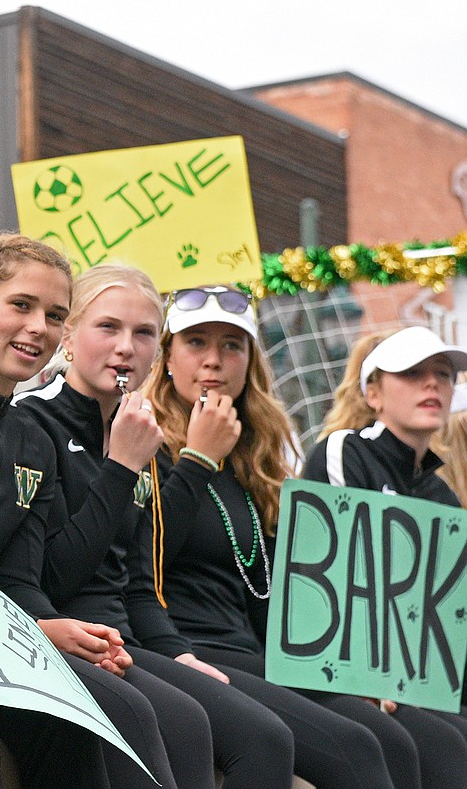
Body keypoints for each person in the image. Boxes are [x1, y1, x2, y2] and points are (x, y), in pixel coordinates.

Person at [0, 233, 197, 789]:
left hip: (9, 635)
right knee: (124, 713)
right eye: (21, 306)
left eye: (53, 314)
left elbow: (24, 575)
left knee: (141, 713)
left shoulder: (30, 435)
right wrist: (43, 630)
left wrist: (57, 629)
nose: (38, 328)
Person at [12, 264, 294, 788]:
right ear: (68, 336)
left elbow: (141, 582)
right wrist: (120, 469)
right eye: (108, 328)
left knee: (263, 735)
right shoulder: (31, 422)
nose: (126, 348)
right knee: (193, 725)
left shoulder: (138, 432)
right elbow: (52, 576)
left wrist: (178, 652)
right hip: (65, 635)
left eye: (143, 334)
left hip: (130, 639)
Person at [130, 285, 409, 789]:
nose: (214, 361)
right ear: (167, 356)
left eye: (231, 346)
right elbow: (141, 555)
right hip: (185, 646)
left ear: (250, 361)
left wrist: (342, 670)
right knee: (355, 748)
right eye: (196, 342)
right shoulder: (141, 436)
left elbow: (273, 594)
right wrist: (197, 458)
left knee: (394, 739)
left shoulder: (256, 458)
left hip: (256, 651)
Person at [303, 325, 467, 778]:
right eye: (412, 373)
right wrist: (365, 679)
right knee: (446, 748)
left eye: (443, 374)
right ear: (373, 392)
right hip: (348, 673)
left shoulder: (441, 494)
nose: (433, 383)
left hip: (421, 678)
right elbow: (336, 579)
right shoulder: (343, 451)